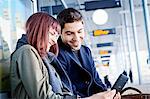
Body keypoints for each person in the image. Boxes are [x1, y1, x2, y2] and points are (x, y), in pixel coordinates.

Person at [10, 12, 120, 99]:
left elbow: (63, 90)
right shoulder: (27, 52)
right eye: (52, 34)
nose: (54, 41)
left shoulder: (45, 57)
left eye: (56, 36)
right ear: (40, 31)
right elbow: (43, 96)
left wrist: (106, 94)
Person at [57, 8, 120, 98]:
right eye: (69, 33)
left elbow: (96, 79)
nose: (76, 38)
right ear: (60, 32)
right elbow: (68, 90)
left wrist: (107, 94)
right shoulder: (57, 54)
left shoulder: (86, 51)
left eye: (79, 31)